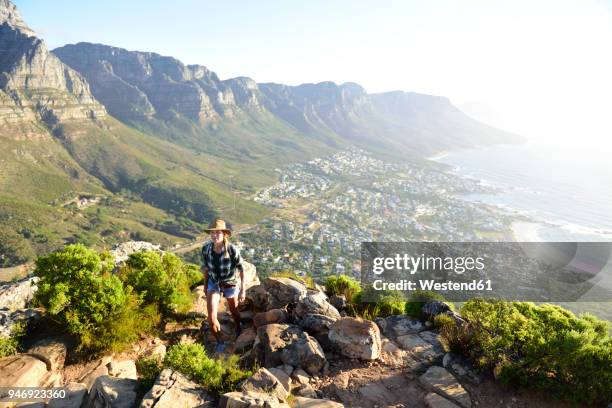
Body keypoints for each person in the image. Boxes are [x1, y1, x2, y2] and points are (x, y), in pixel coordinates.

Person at [201, 218, 246, 353]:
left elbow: (241, 268)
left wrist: (242, 289)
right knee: (211, 317)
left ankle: (238, 326)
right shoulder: (206, 249)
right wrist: (205, 285)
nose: (215, 235)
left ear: (224, 234)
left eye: (218, 233)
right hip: (214, 283)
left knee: (234, 311)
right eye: (212, 233)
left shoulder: (232, 250)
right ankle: (220, 341)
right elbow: (206, 269)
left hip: (230, 284)